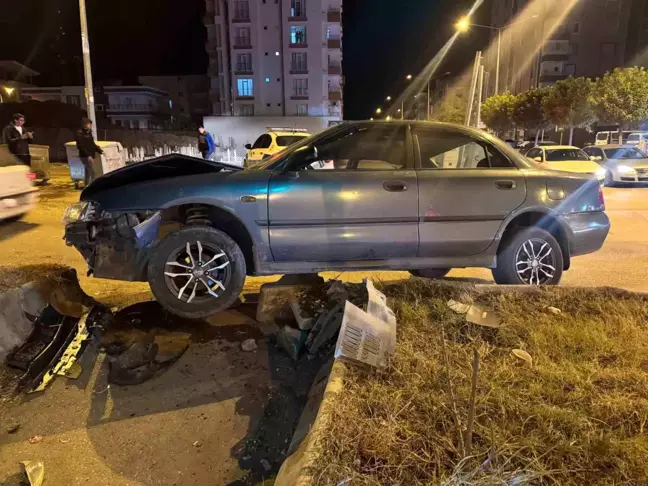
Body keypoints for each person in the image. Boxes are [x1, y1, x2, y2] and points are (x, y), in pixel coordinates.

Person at [75, 118, 103, 187]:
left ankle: (86, 186)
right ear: (84, 125)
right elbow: (80, 146)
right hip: (85, 156)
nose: (90, 125)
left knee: (87, 172)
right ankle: (93, 187)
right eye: (89, 124)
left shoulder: (89, 132)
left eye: (90, 124)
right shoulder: (80, 133)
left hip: (90, 155)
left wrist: (99, 150)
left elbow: (91, 144)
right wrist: (88, 156)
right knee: (92, 172)